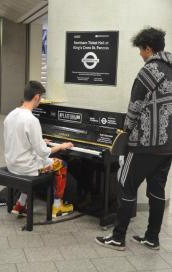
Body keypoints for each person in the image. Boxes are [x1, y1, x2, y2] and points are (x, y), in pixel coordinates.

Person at [95, 27, 172, 250]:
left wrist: (126, 132)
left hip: (144, 144)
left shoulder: (148, 71)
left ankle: (118, 238)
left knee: (125, 185)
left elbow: (134, 107)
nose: (140, 54)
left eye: (141, 49)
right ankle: (152, 238)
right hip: (168, 145)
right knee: (157, 189)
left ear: (148, 48)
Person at [4, 80, 74, 218]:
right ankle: (57, 206)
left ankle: (20, 204)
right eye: (40, 98)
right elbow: (43, 152)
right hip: (27, 167)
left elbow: (19, 140)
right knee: (61, 164)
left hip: (12, 164)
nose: (40, 101)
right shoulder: (31, 120)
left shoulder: (10, 115)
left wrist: (40, 141)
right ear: (36, 97)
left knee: (35, 158)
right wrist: (61, 146)